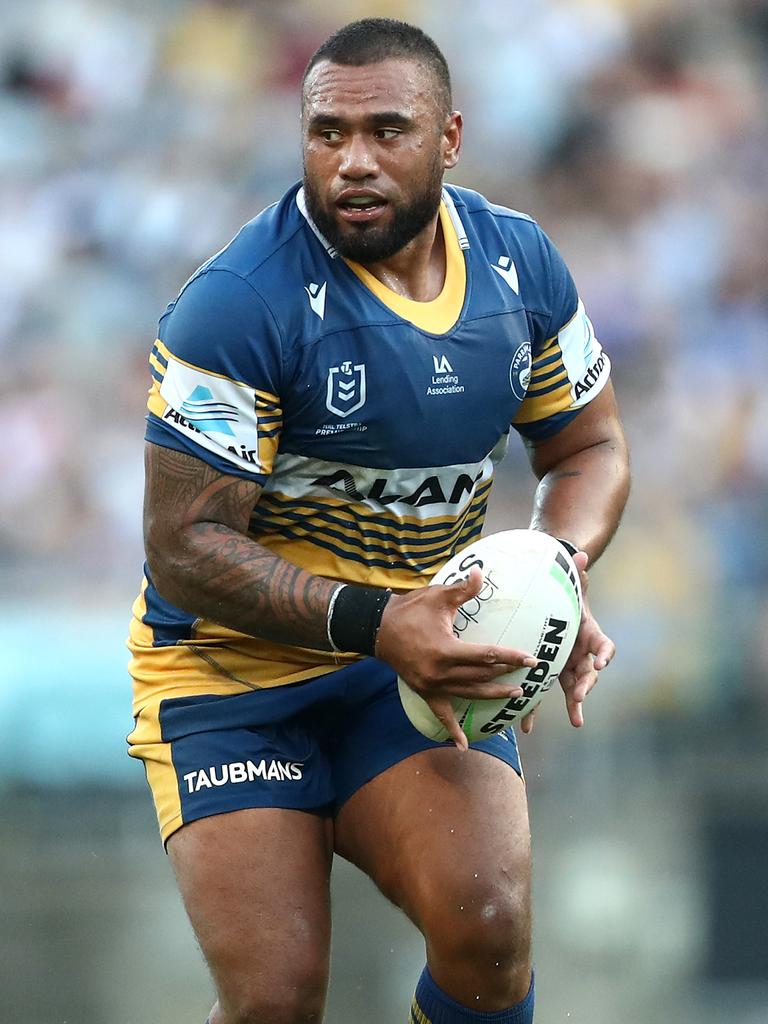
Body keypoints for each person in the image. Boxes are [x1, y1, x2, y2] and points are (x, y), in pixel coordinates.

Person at [127, 17, 630, 1024]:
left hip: (412, 668)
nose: (351, 161)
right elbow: (181, 549)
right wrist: (379, 620)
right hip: (232, 679)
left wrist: (557, 578)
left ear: (450, 139)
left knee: (488, 928)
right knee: (275, 1000)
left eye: (387, 131)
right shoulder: (238, 303)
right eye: (326, 134)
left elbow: (588, 449)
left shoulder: (518, 267)